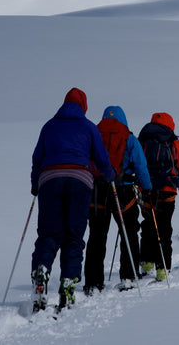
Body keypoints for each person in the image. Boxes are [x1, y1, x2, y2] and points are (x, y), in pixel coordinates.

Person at [30, 88, 116, 312]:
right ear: (84, 106)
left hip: (49, 179)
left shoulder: (49, 126)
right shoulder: (88, 127)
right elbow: (101, 158)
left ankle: (41, 269)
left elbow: (38, 157)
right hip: (80, 180)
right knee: (73, 235)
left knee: (49, 233)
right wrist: (109, 175)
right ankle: (68, 281)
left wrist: (35, 183)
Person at [83, 106, 152, 294]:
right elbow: (141, 166)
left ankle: (92, 281)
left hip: (98, 190)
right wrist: (147, 188)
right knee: (128, 232)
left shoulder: (94, 135)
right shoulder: (129, 138)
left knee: (97, 234)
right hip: (123, 192)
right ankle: (129, 276)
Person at [137, 112, 179, 281]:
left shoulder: (142, 140)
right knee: (164, 227)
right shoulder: (174, 142)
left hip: (146, 191)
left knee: (148, 225)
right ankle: (163, 268)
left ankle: (146, 262)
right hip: (168, 192)